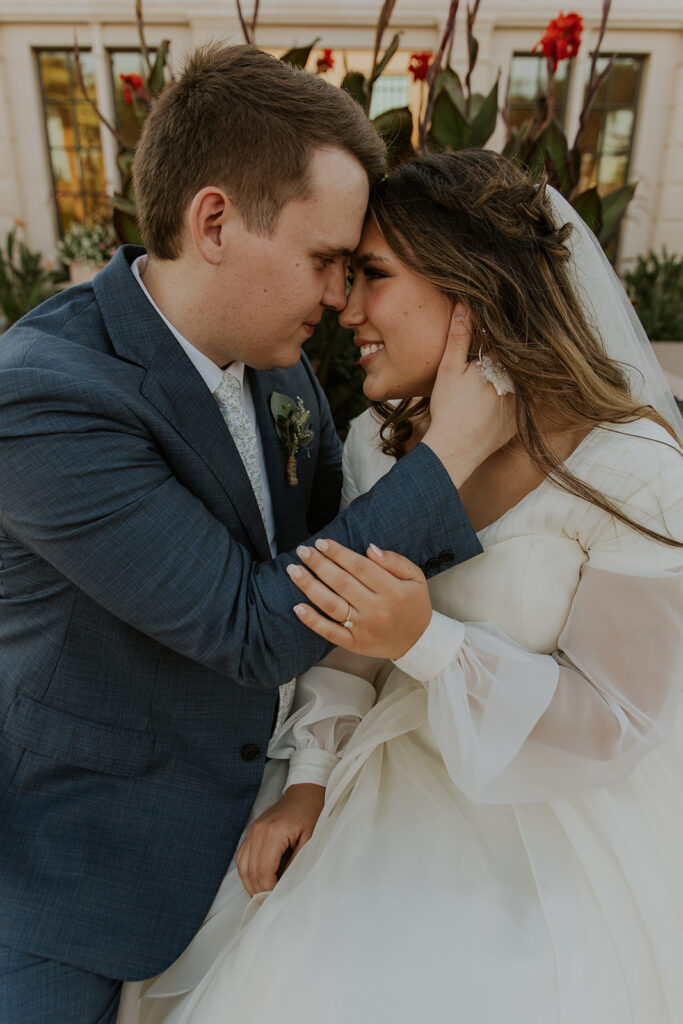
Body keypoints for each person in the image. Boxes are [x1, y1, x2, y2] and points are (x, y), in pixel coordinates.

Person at [0, 49, 512, 1023]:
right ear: (215, 222)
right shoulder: (42, 394)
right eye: (324, 261)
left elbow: (321, 541)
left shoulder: (278, 370)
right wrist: (445, 460)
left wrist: (313, 771)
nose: (336, 298)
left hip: (254, 841)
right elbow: (246, 624)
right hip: (69, 884)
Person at [130, 151, 683, 1024]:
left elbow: (614, 720)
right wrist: (309, 779)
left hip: (558, 820)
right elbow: (351, 639)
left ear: (472, 288)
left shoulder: (632, 470)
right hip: (387, 783)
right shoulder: (378, 447)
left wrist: (427, 642)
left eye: (372, 277)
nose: (344, 308)